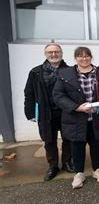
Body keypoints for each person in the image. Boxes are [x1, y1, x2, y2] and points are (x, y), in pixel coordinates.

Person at [53, 47, 99, 189]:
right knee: (77, 146)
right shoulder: (65, 74)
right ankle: (79, 173)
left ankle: (97, 169)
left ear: (91, 57)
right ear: (76, 58)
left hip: (96, 117)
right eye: (80, 56)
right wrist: (77, 107)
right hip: (75, 118)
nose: (84, 58)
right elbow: (58, 95)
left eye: (87, 56)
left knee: (97, 145)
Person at [24, 43, 74, 181]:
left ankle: (67, 162)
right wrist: (30, 113)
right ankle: (53, 166)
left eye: (56, 52)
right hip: (46, 113)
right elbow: (29, 93)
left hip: (66, 112)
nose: (54, 54)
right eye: (50, 52)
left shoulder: (70, 70)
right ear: (45, 54)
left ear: (61, 53)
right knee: (49, 141)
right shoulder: (36, 72)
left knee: (68, 139)